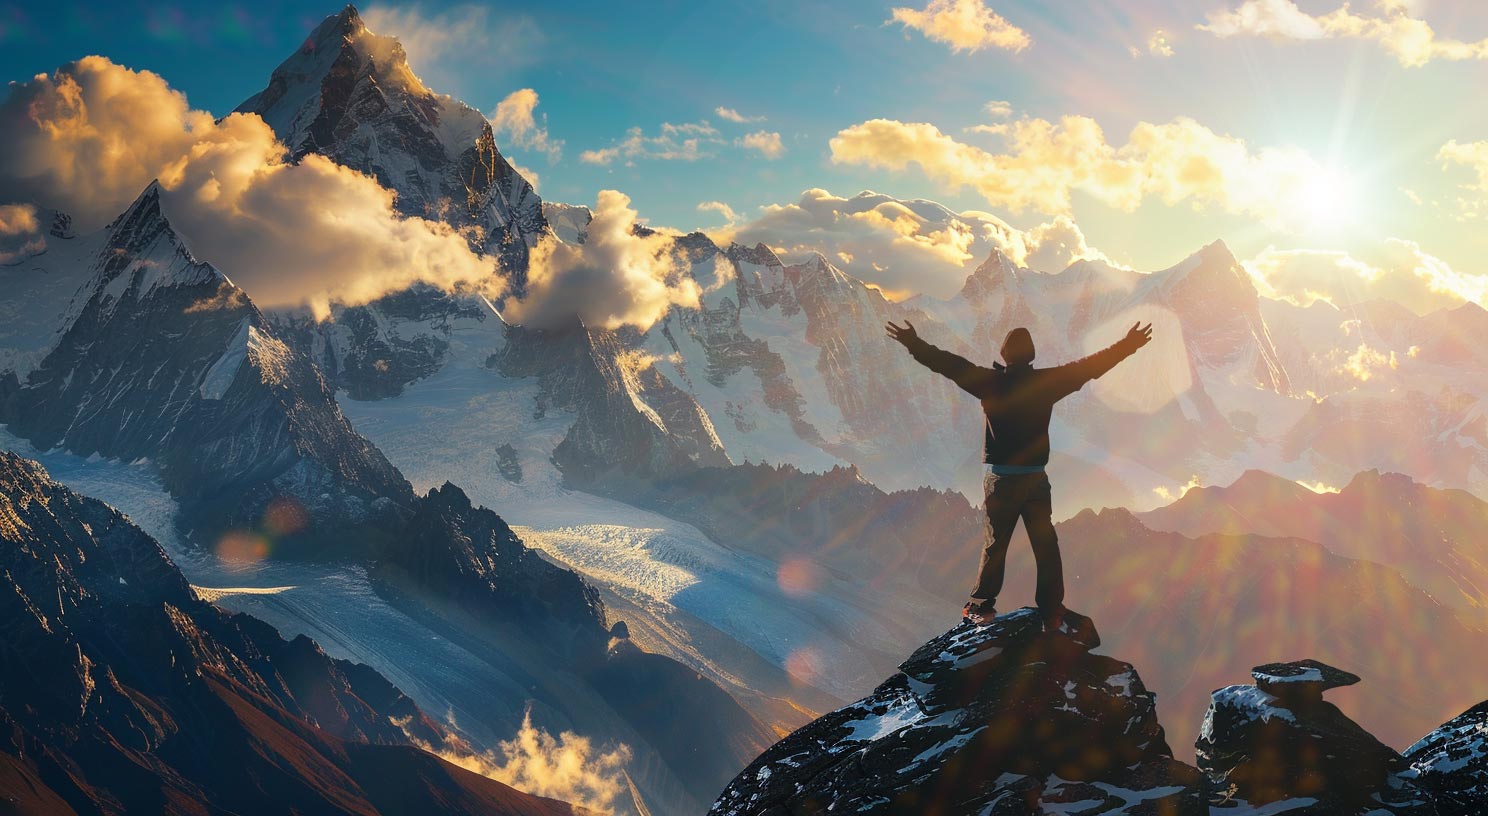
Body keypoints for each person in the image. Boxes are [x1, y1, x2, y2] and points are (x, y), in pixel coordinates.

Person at [886, 319, 1153, 628]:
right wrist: (1129, 344)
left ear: (1005, 354)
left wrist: (913, 343)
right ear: (1032, 355)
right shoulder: (1048, 381)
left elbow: (948, 364)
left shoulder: (989, 382)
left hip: (1000, 480)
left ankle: (980, 605)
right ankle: (1051, 608)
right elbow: (1090, 366)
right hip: (1036, 479)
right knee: (1046, 545)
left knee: (996, 545)